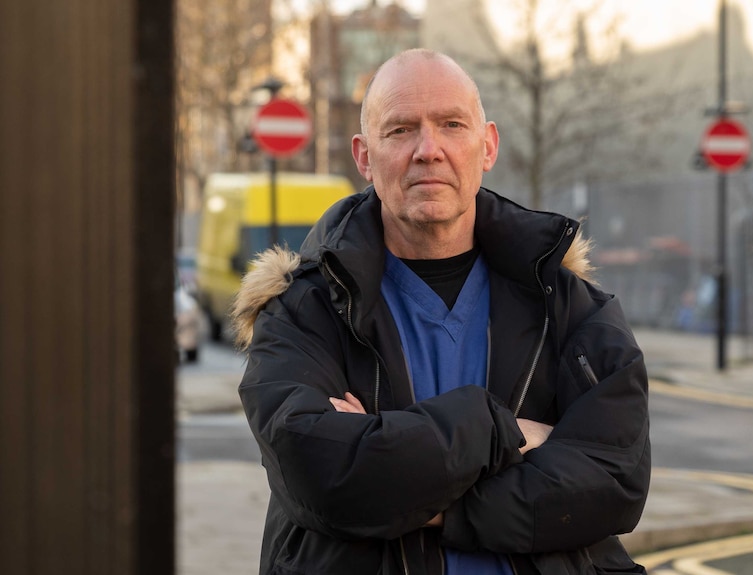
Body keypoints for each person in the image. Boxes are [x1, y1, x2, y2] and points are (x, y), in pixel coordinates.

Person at [232, 48, 650, 575]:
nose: (428, 150)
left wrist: (406, 480)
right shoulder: (303, 310)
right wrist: (506, 431)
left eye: (452, 124)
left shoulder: (569, 308)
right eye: (401, 130)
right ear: (364, 156)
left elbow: (613, 484)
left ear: (488, 145)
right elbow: (323, 476)